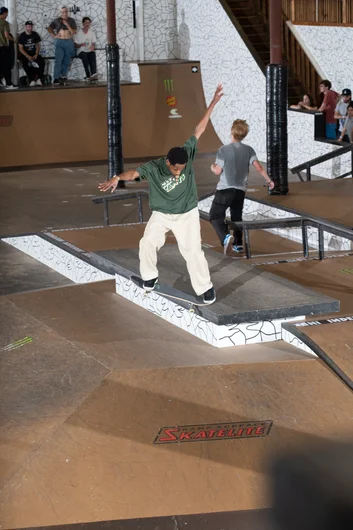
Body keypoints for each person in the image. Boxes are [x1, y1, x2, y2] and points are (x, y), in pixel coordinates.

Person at [98, 85, 225, 304]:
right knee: (147, 242)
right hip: (162, 214)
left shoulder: (186, 152)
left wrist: (212, 104)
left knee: (193, 251)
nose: (179, 172)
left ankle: (205, 289)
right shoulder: (154, 167)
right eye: (176, 169)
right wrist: (117, 178)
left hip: (187, 214)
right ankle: (149, 278)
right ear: (167, 162)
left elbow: (199, 129)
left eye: (182, 169)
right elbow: (133, 173)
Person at [209, 119, 275, 254]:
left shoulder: (223, 149)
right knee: (236, 217)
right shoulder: (249, 150)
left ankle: (225, 237)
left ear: (232, 132)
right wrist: (269, 181)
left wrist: (212, 166)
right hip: (240, 191)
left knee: (215, 216)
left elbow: (218, 171)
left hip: (225, 190)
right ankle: (238, 244)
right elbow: (259, 167)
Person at [47, 6, 77, 85]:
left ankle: (63, 76)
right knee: (58, 60)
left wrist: (67, 24)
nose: (64, 13)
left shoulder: (71, 20)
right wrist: (54, 35)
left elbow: (73, 32)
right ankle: (56, 78)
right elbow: (49, 28)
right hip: (59, 42)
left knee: (67, 60)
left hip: (69, 41)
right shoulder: (57, 20)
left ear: (68, 12)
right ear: (61, 13)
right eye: (63, 12)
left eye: (66, 12)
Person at [18, 21, 45, 87]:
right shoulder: (22, 36)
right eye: (29, 26)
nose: (30, 28)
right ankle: (32, 79)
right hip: (26, 54)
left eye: (31, 26)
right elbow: (20, 48)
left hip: (34, 53)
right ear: (26, 27)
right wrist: (28, 56)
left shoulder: (35, 34)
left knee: (42, 62)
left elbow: (38, 46)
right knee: (25, 64)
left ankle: (38, 78)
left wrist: (36, 54)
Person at [0, 7, 17, 89]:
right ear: (4, 13)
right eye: (6, 14)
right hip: (3, 47)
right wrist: (14, 40)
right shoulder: (4, 23)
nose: (7, 16)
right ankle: (9, 84)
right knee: (6, 66)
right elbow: (7, 35)